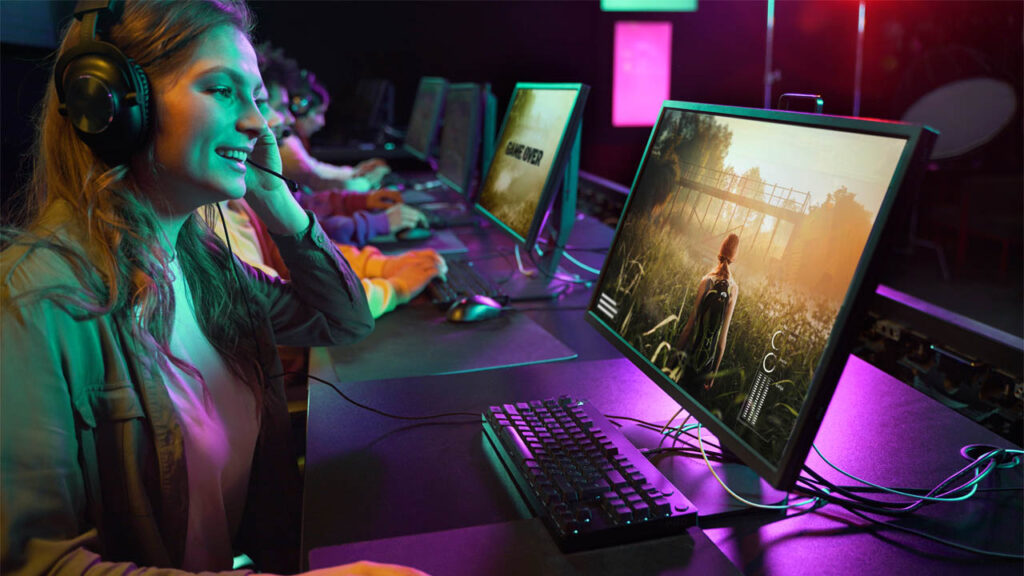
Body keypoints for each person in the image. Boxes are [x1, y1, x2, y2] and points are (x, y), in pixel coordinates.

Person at [0, 1, 426, 575]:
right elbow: (36, 565)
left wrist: (278, 202)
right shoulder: (33, 302)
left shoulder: (203, 265)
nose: (259, 122)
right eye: (223, 90)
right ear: (116, 108)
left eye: (255, 96)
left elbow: (343, 318)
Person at [257, 44, 427, 246]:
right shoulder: (282, 151)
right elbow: (306, 235)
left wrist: (358, 200)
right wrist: (372, 209)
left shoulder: (255, 174)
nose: (290, 119)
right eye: (282, 108)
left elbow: (303, 206)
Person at [258, 43, 388, 192]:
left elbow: (314, 171)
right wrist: (367, 185)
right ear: (301, 108)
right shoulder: (284, 147)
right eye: (319, 112)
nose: (290, 119)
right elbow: (316, 180)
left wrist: (354, 173)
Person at [675, 234, 740, 394]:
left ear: (719, 252)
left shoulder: (707, 281)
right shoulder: (734, 289)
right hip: (707, 365)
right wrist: (713, 375)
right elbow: (721, 340)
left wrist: (671, 360)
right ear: (734, 257)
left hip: (689, 356)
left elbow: (689, 328)